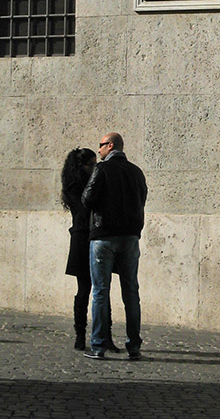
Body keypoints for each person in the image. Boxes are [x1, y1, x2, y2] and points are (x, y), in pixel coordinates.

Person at [82, 132, 148, 360]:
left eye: (100, 145)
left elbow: (87, 199)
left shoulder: (102, 169)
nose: (98, 150)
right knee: (131, 292)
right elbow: (142, 199)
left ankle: (98, 346)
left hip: (104, 236)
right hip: (130, 237)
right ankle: (134, 346)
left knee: (100, 291)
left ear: (110, 145)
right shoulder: (136, 171)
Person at [60, 147, 120, 352]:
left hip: (98, 236)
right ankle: (80, 335)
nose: (94, 168)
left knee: (102, 289)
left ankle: (106, 336)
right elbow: (84, 209)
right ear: (81, 167)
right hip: (81, 239)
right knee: (84, 290)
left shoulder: (95, 182)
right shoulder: (73, 187)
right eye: (91, 165)